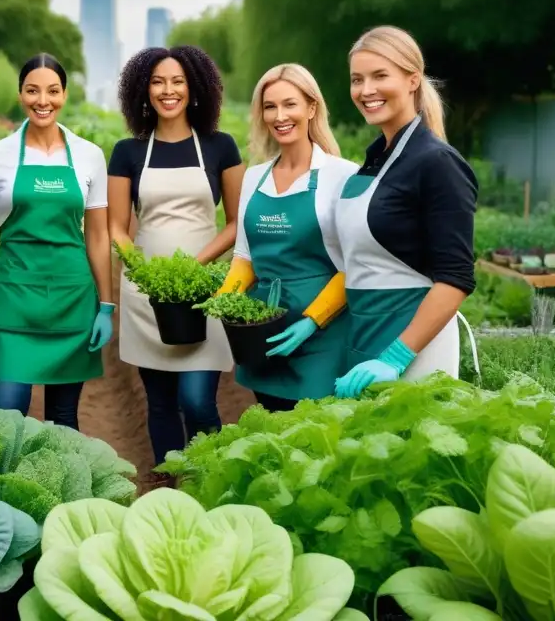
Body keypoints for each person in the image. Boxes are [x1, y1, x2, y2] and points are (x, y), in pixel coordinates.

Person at [107, 45, 245, 474]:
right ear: (143, 91)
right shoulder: (128, 152)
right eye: (158, 82)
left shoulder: (220, 147)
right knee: (161, 402)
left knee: (198, 399)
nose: (168, 91)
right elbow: (116, 226)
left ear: (195, 87)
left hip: (201, 290)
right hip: (147, 293)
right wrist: (147, 274)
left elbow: (236, 222)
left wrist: (194, 268)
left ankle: (213, 476)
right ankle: (172, 485)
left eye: (178, 81)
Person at [0, 54, 112, 431]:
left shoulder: (88, 156)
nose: (42, 100)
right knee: (5, 419)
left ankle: (61, 492)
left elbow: (97, 234)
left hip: (71, 301)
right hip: (12, 303)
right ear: (20, 95)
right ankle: (3, 492)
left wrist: (107, 306)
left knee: (63, 420)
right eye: (33, 90)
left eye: (52, 91)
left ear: (64, 94)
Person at [333, 25, 478, 399]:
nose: (366, 91)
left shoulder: (437, 163)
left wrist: (396, 357)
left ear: (413, 80)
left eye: (380, 76)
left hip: (414, 350)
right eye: (357, 79)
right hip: (365, 340)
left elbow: (456, 279)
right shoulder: (373, 160)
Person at [217, 64, 359, 411]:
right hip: (262, 337)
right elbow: (245, 257)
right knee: (270, 441)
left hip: (322, 341)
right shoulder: (254, 177)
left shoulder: (342, 176)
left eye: (290, 104)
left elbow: (354, 266)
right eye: (270, 106)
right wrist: (222, 302)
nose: (279, 116)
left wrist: (311, 322)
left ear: (312, 108)